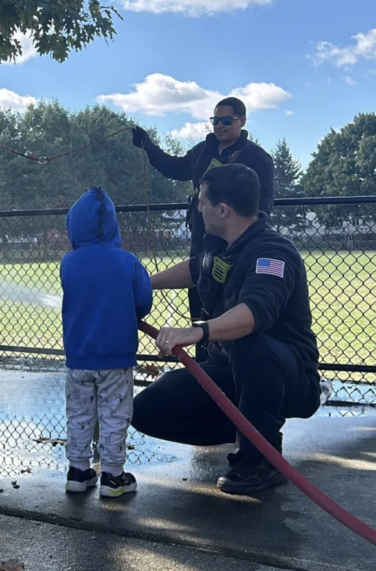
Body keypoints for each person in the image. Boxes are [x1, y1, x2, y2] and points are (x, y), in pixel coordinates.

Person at [131, 163, 321, 495]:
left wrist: (198, 332)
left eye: (203, 201)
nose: (199, 208)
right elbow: (195, 269)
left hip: (287, 377)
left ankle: (261, 457)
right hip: (230, 370)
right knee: (146, 410)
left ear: (222, 209)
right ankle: (250, 430)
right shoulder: (221, 248)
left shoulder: (273, 254)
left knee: (252, 346)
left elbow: (253, 313)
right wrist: (141, 286)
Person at [132, 97, 275, 357]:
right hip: (204, 241)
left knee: (232, 302)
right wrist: (148, 146)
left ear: (242, 121)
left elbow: (264, 204)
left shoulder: (257, 157)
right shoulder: (202, 151)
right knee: (200, 300)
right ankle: (202, 364)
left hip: (238, 245)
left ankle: (231, 363)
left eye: (226, 120)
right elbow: (173, 167)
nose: (219, 126)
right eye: (215, 120)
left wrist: (244, 237)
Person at [60, 187, 153, 498]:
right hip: (116, 357)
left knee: (79, 413)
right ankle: (113, 477)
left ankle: (78, 471)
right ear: (113, 225)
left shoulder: (68, 262)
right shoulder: (127, 262)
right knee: (114, 415)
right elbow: (143, 301)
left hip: (78, 359)